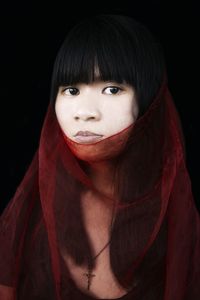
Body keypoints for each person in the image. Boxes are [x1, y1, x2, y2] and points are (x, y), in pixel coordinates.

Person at [0, 14, 199, 300]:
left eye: (112, 89)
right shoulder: (29, 213)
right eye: (71, 90)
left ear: (148, 103)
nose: (85, 112)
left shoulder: (175, 217)